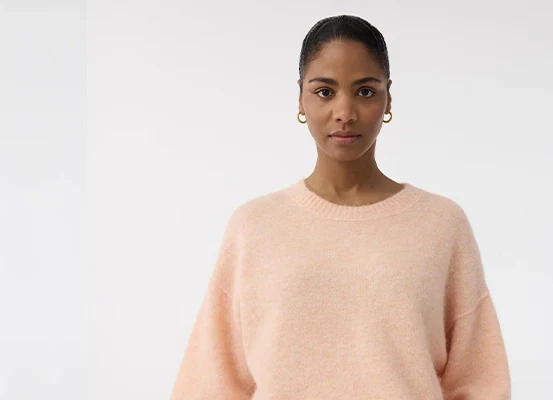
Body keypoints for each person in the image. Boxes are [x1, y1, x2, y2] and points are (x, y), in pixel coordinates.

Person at [170, 15, 511, 399]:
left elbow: (480, 381)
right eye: (324, 91)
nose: (345, 112)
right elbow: (209, 383)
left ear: (388, 98)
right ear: (301, 98)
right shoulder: (253, 226)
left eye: (365, 91)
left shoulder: (441, 224)